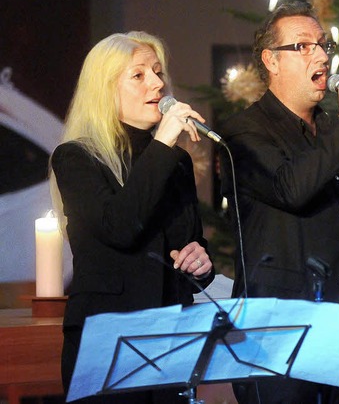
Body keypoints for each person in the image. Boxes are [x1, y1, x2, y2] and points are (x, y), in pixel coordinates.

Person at [218, 1, 339, 404]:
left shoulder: (335, 133)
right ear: (271, 61)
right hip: (279, 341)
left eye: (322, 44)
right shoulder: (244, 132)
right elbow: (290, 189)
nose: (320, 54)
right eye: (302, 46)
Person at [50, 31, 215, 403]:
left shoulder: (175, 162)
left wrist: (201, 262)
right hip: (108, 343)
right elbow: (121, 228)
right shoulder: (76, 158)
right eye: (139, 75)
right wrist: (163, 144)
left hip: (171, 341)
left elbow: (191, 244)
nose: (157, 83)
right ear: (104, 90)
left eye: (157, 72)